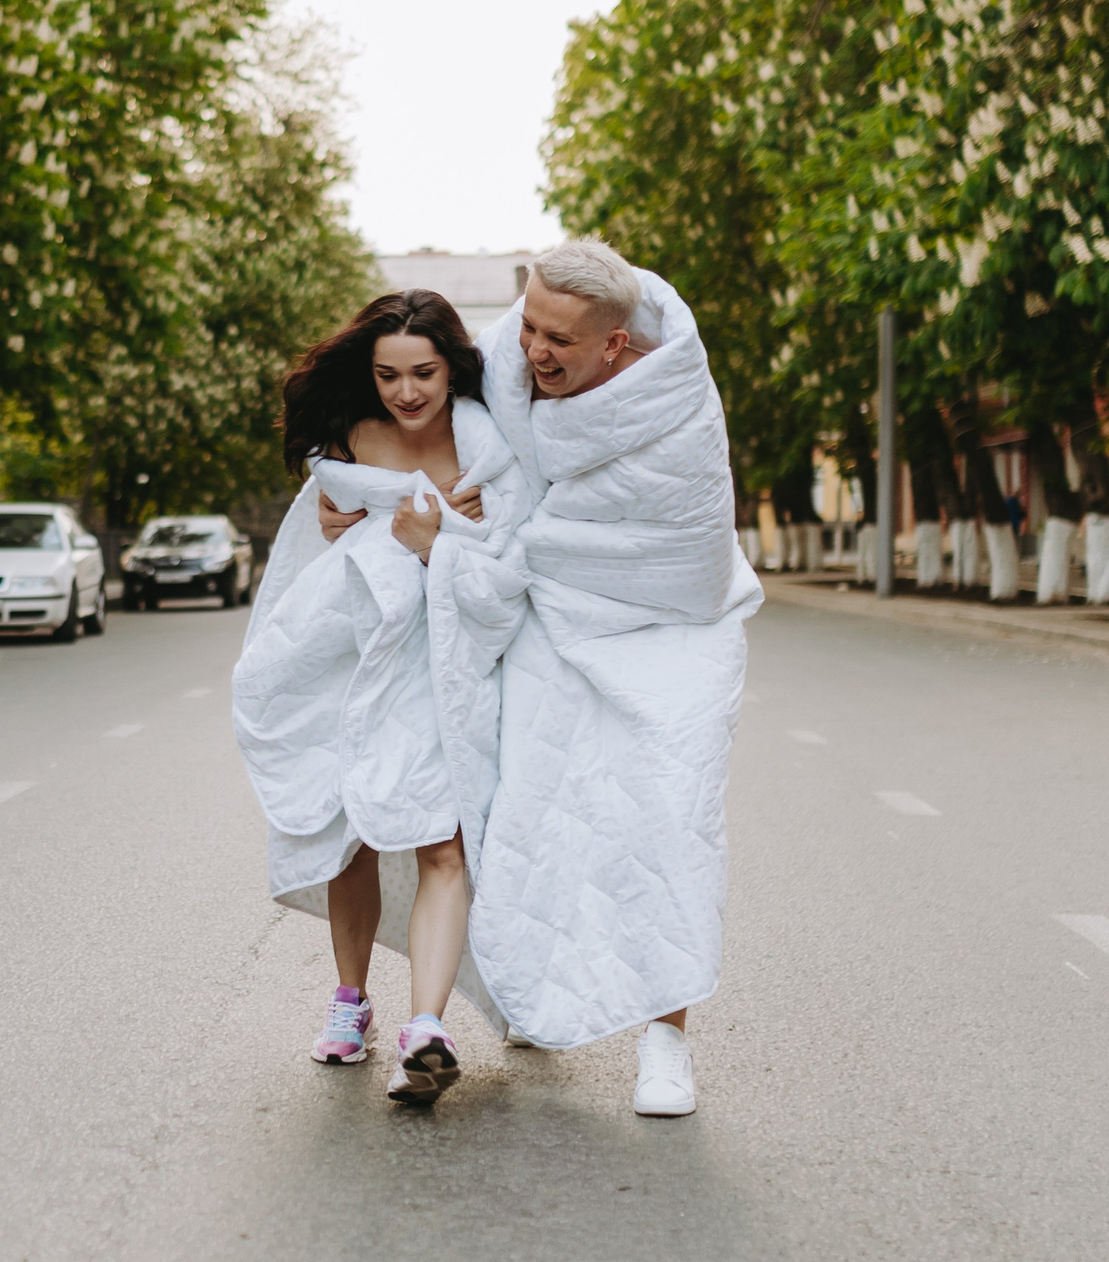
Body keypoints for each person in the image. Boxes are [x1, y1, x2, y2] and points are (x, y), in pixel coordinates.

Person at [336, 240, 760, 1117]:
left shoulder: (675, 404)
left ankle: (667, 1038)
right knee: (521, 817)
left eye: (559, 339)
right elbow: (420, 417)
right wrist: (357, 491)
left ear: (616, 343)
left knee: (668, 819)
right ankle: (526, 995)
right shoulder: (502, 366)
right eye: (529, 323)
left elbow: (685, 548)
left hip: (669, 632)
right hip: (546, 623)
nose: (534, 349)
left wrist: (463, 544)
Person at [231, 289, 530, 1105]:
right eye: (388, 374)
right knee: (354, 831)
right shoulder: (348, 449)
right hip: (358, 669)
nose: (406, 392)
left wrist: (446, 545)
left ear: (454, 368)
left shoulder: (490, 456)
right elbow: (312, 563)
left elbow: (508, 584)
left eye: (424, 373)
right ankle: (350, 1000)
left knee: (445, 844)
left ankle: (425, 1028)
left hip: (445, 679)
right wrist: (353, 530)